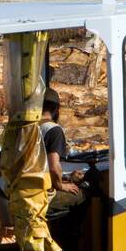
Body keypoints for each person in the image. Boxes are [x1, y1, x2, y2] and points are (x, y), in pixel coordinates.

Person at [40, 88, 85, 220]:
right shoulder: (54, 130)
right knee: (82, 195)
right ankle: (71, 237)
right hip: (42, 196)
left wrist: (68, 177)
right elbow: (54, 167)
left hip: (27, 191)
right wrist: (61, 186)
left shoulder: (31, 128)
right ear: (56, 109)